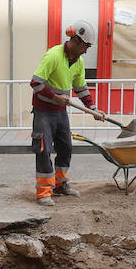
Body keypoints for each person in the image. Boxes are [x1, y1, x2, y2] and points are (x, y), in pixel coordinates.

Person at [29, 19, 105, 204]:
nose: (86, 50)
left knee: (65, 147)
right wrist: (55, 97)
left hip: (60, 112)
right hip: (44, 111)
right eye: (85, 46)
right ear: (76, 41)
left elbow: (81, 88)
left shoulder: (78, 62)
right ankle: (44, 193)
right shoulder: (53, 56)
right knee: (43, 149)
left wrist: (93, 108)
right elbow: (36, 83)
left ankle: (60, 184)